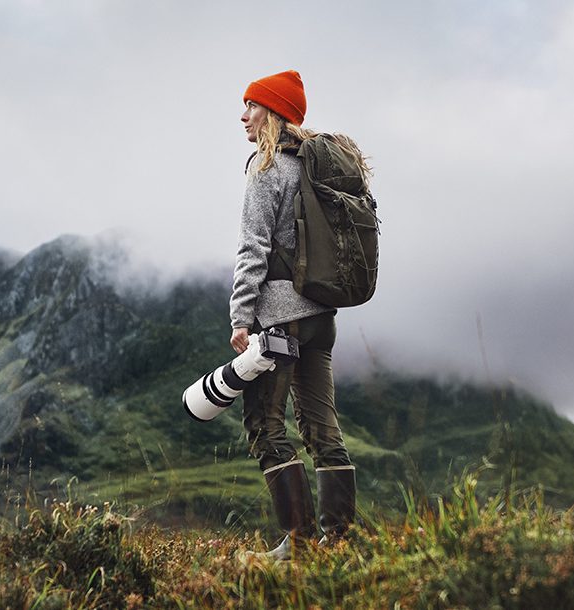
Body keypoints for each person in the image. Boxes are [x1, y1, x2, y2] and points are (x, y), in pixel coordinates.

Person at [230, 70, 368, 561]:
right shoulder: (314, 168)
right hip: (321, 320)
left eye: (251, 106)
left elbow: (253, 249)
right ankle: (341, 542)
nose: (243, 115)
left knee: (266, 427)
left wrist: (241, 317)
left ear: (273, 113)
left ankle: (301, 545)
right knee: (323, 430)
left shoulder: (267, 169)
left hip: (279, 319)